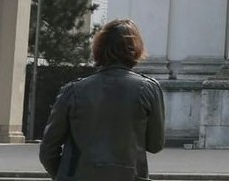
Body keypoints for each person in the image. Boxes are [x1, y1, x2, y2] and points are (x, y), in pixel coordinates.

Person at [39, 19, 163, 181]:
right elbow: (155, 145)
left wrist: (65, 175)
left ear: (99, 48)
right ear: (136, 49)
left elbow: (48, 150)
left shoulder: (73, 91)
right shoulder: (149, 89)